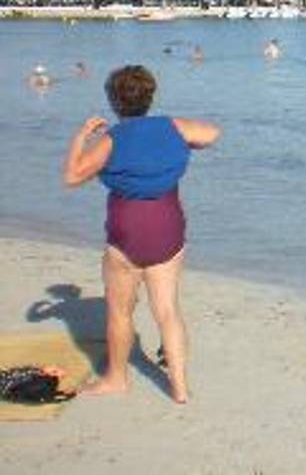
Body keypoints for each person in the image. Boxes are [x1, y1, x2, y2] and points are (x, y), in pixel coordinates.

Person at [61, 65, 220, 402]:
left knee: (120, 311)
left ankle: (117, 378)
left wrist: (81, 136)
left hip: (127, 236)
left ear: (113, 101)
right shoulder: (172, 127)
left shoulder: (111, 140)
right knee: (168, 311)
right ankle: (179, 386)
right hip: (167, 230)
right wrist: (183, 142)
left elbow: (73, 177)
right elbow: (212, 134)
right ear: (150, 97)